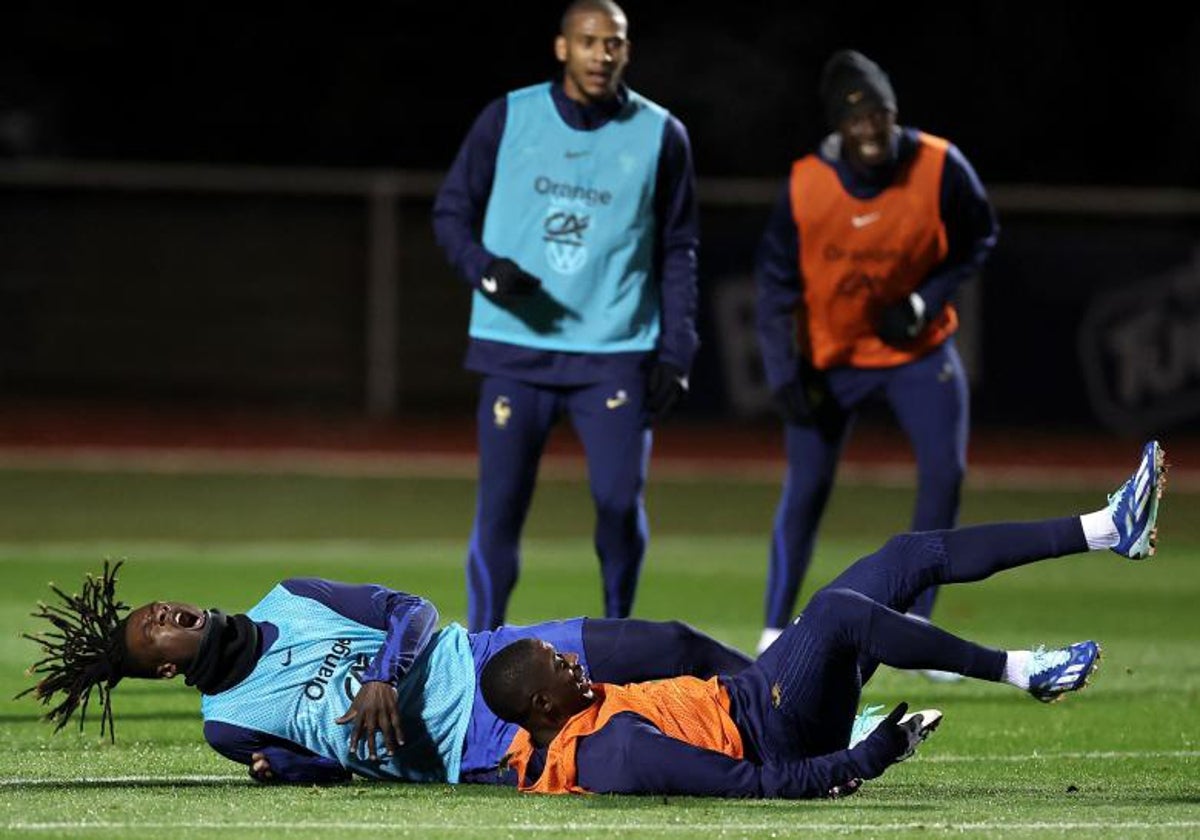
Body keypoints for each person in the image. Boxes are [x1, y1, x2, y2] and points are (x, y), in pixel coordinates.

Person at [479, 441, 1165, 798]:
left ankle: (1109, 528)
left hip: (760, 697)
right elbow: (750, 786)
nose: (576, 662)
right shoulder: (614, 750)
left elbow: (518, 760)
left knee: (905, 555)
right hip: (777, 733)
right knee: (839, 612)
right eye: (561, 666)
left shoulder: (551, 730)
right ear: (543, 702)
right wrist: (860, 761)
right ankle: (1020, 670)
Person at [431, 0, 699, 632]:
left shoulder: (662, 133)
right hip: (514, 348)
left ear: (626, 51)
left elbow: (679, 247)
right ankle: (482, 642)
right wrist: (484, 268)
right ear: (562, 48)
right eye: (588, 42)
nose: (601, 54)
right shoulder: (508, 117)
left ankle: (617, 633)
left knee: (615, 501)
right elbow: (450, 212)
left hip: (613, 352)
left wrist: (678, 350)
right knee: (499, 510)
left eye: (614, 43)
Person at [19, 573, 748, 785]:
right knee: (678, 747)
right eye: (155, 631)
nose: (167, 611)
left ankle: (781, 693)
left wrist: (380, 674)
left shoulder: (292, 598)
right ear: (169, 666)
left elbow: (413, 608)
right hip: (480, 749)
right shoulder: (228, 724)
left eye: (158, 607)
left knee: (674, 642)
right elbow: (326, 762)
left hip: (495, 657)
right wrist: (294, 773)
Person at [754, 50, 1000, 656]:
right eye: (857, 118)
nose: (871, 130)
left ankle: (918, 625)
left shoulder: (940, 165)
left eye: (882, 115)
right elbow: (773, 285)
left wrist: (925, 299)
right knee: (806, 487)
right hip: (831, 360)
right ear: (838, 124)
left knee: (945, 474)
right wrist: (783, 371)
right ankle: (774, 628)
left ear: (895, 114)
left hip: (917, 350)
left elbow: (981, 234)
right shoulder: (805, 183)